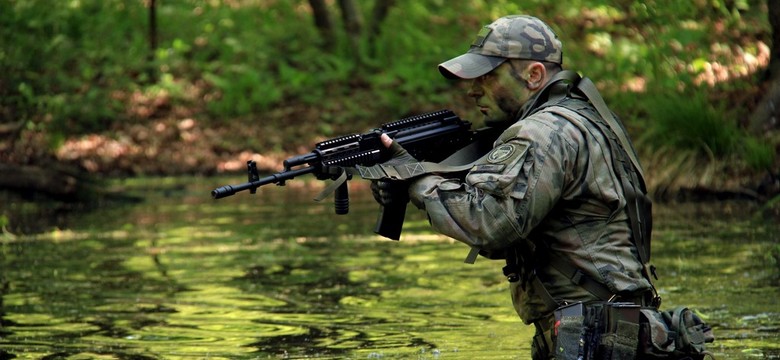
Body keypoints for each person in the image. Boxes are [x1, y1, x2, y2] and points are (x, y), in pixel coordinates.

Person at [370, 15, 657, 359]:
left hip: (595, 334)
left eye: (488, 76)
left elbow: (490, 223)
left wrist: (415, 178)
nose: (474, 88)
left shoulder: (542, 132)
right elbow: (516, 232)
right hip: (608, 329)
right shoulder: (579, 119)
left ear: (534, 75)